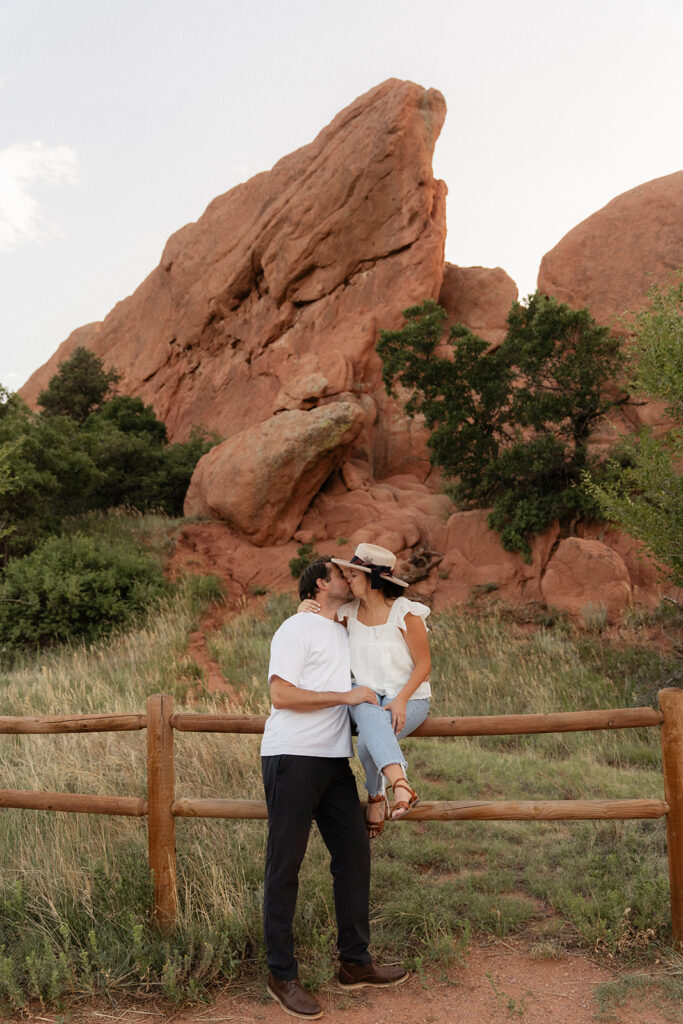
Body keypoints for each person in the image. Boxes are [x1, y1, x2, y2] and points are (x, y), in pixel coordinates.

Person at [262, 556, 409, 1020]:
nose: (350, 580)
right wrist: (346, 696)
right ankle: (281, 975)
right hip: (292, 756)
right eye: (341, 574)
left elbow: (389, 614)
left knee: (353, 854)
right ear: (320, 585)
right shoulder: (294, 629)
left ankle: (354, 962)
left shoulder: (343, 625)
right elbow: (280, 694)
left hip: (332, 761)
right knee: (285, 863)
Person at [299, 543, 431, 839]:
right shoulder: (347, 613)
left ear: (373, 578)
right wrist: (303, 609)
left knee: (368, 738)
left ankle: (375, 795)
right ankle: (401, 785)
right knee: (366, 706)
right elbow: (313, 631)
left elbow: (424, 665)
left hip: (411, 698)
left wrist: (400, 700)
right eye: (346, 574)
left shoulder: (405, 613)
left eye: (353, 575)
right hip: (366, 696)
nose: (347, 579)